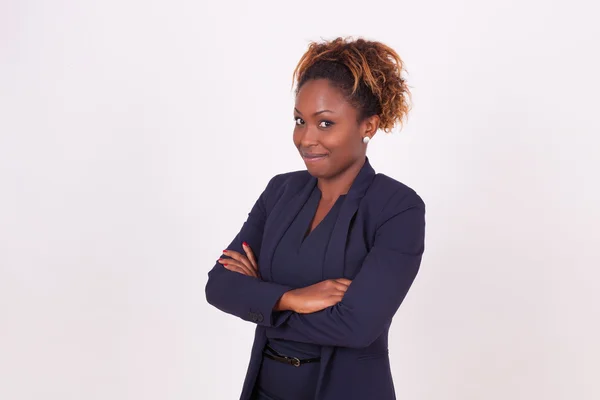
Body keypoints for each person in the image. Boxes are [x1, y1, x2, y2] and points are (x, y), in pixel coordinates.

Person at [205, 36, 426, 400]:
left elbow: (357, 326)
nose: (306, 138)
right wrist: (291, 298)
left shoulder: (398, 208)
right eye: (300, 120)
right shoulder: (280, 192)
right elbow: (219, 286)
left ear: (367, 126)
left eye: (325, 124)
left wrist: (261, 300)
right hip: (264, 389)